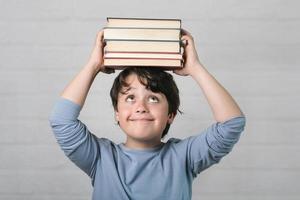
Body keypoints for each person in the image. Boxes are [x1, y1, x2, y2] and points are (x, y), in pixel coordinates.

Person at [49, 29, 246, 200]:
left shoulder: (184, 156)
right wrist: (93, 65)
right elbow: (62, 119)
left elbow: (232, 124)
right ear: (117, 113)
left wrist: (195, 68)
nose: (141, 107)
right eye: (130, 98)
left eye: (153, 98)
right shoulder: (99, 157)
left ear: (171, 114)